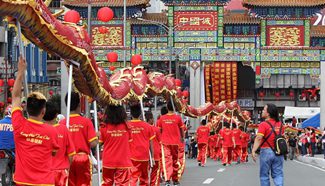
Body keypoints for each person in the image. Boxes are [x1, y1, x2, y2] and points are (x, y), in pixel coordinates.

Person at [11, 56, 59, 185]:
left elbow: (15, 96)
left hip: (22, 181)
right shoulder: (52, 131)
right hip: (44, 182)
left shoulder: (19, 124)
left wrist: (21, 72)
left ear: (26, 108)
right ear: (43, 111)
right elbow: (53, 153)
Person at [59, 92, 98, 186]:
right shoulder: (86, 121)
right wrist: (97, 137)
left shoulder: (62, 123)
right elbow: (93, 143)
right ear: (79, 105)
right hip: (83, 159)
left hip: (68, 159)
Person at [43, 100, 76, 186]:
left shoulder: (38, 130)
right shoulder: (64, 129)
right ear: (56, 114)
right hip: (61, 173)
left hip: (44, 173)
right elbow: (71, 155)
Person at [252, 103, 285, 186]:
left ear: (268, 113)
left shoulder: (263, 124)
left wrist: (253, 150)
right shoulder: (281, 125)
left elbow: (259, 138)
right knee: (278, 174)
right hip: (278, 152)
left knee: (264, 175)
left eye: (264, 110)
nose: (262, 111)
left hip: (266, 151)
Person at [99, 105, 133, 185]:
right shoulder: (127, 127)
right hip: (123, 161)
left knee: (107, 184)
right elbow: (130, 142)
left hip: (108, 161)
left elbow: (100, 143)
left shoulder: (104, 127)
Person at [157, 101, 184, 186]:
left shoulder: (161, 118)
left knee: (167, 161)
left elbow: (159, 130)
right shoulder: (178, 118)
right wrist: (182, 138)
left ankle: (167, 180)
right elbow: (182, 130)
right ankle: (175, 180)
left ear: (167, 108)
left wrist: (160, 139)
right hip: (176, 142)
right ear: (174, 107)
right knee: (175, 161)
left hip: (165, 143)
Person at [128, 103, 155, 186]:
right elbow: (151, 143)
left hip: (132, 156)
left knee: (132, 177)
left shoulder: (127, 126)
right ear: (140, 113)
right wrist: (152, 157)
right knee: (144, 178)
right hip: (144, 156)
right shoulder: (148, 126)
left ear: (130, 114)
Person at [145, 111, 162, 186]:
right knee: (155, 172)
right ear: (150, 119)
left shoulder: (143, 128)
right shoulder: (156, 129)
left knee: (145, 172)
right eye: (152, 119)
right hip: (155, 153)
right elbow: (160, 141)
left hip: (145, 154)